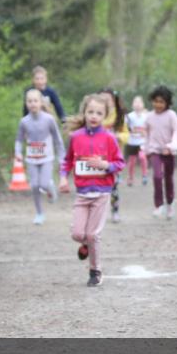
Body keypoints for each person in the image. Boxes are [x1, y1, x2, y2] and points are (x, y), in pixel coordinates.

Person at [59, 94, 125, 287]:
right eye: (90, 112)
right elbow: (67, 161)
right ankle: (85, 245)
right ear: (84, 113)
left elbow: (119, 163)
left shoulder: (109, 138)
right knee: (78, 234)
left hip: (102, 193)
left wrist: (105, 165)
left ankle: (95, 271)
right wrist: (63, 178)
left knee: (93, 234)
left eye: (99, 113)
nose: (94, 116)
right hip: (82, 193)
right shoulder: (75, 137)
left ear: (105, 116)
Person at [14, 89, 65, 225]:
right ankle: (39, 213)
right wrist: (18, 153)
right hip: (31, 158)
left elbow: (57, 138)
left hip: (47, 157)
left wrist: (62, 157)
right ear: (26, 104)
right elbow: (19, 139)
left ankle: (50, 188)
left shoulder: (49, 119)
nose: (32, 104)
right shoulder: (24, 121)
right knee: (35, 186)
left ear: (41, 102)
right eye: (29, 101)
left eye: (35, 101)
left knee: (43, 183)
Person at [145, 86, 177, 219]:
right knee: (157, 176)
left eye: (161, 102)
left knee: (168, 179)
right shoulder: (149, 117)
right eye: (156, 101)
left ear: (167, 103)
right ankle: (158, 205)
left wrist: (171, 146)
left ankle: (170, 204)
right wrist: (146, 149)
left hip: (168, 152)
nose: (158, 104)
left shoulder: (171, 115)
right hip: (155, 151)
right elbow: (147, 134)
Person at [99, 89, 129, 223]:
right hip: (97, 158)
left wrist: (118, 136)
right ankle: (98, 212)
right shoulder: (96, 115)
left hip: (114, 159)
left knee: (114, 187)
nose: (105, 102)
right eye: (102, 100)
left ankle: (115, 211)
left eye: (108, 100)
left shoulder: (119, 117)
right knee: (98, 186)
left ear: (113, 101)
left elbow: (126, 135)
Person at [125, 96, 150, 187]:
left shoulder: (146, 116)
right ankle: (130, 177)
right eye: (135, 102)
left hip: (142, 142)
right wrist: (131, 132)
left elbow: (149, 128)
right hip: (132, 142)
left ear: (143, 105)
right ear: (132, 105)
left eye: (139, 102)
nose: (138, 104)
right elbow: (125, 128)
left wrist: (145, 133)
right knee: (132, 161)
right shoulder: (129, 116)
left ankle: (144, 175)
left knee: (142, 157)